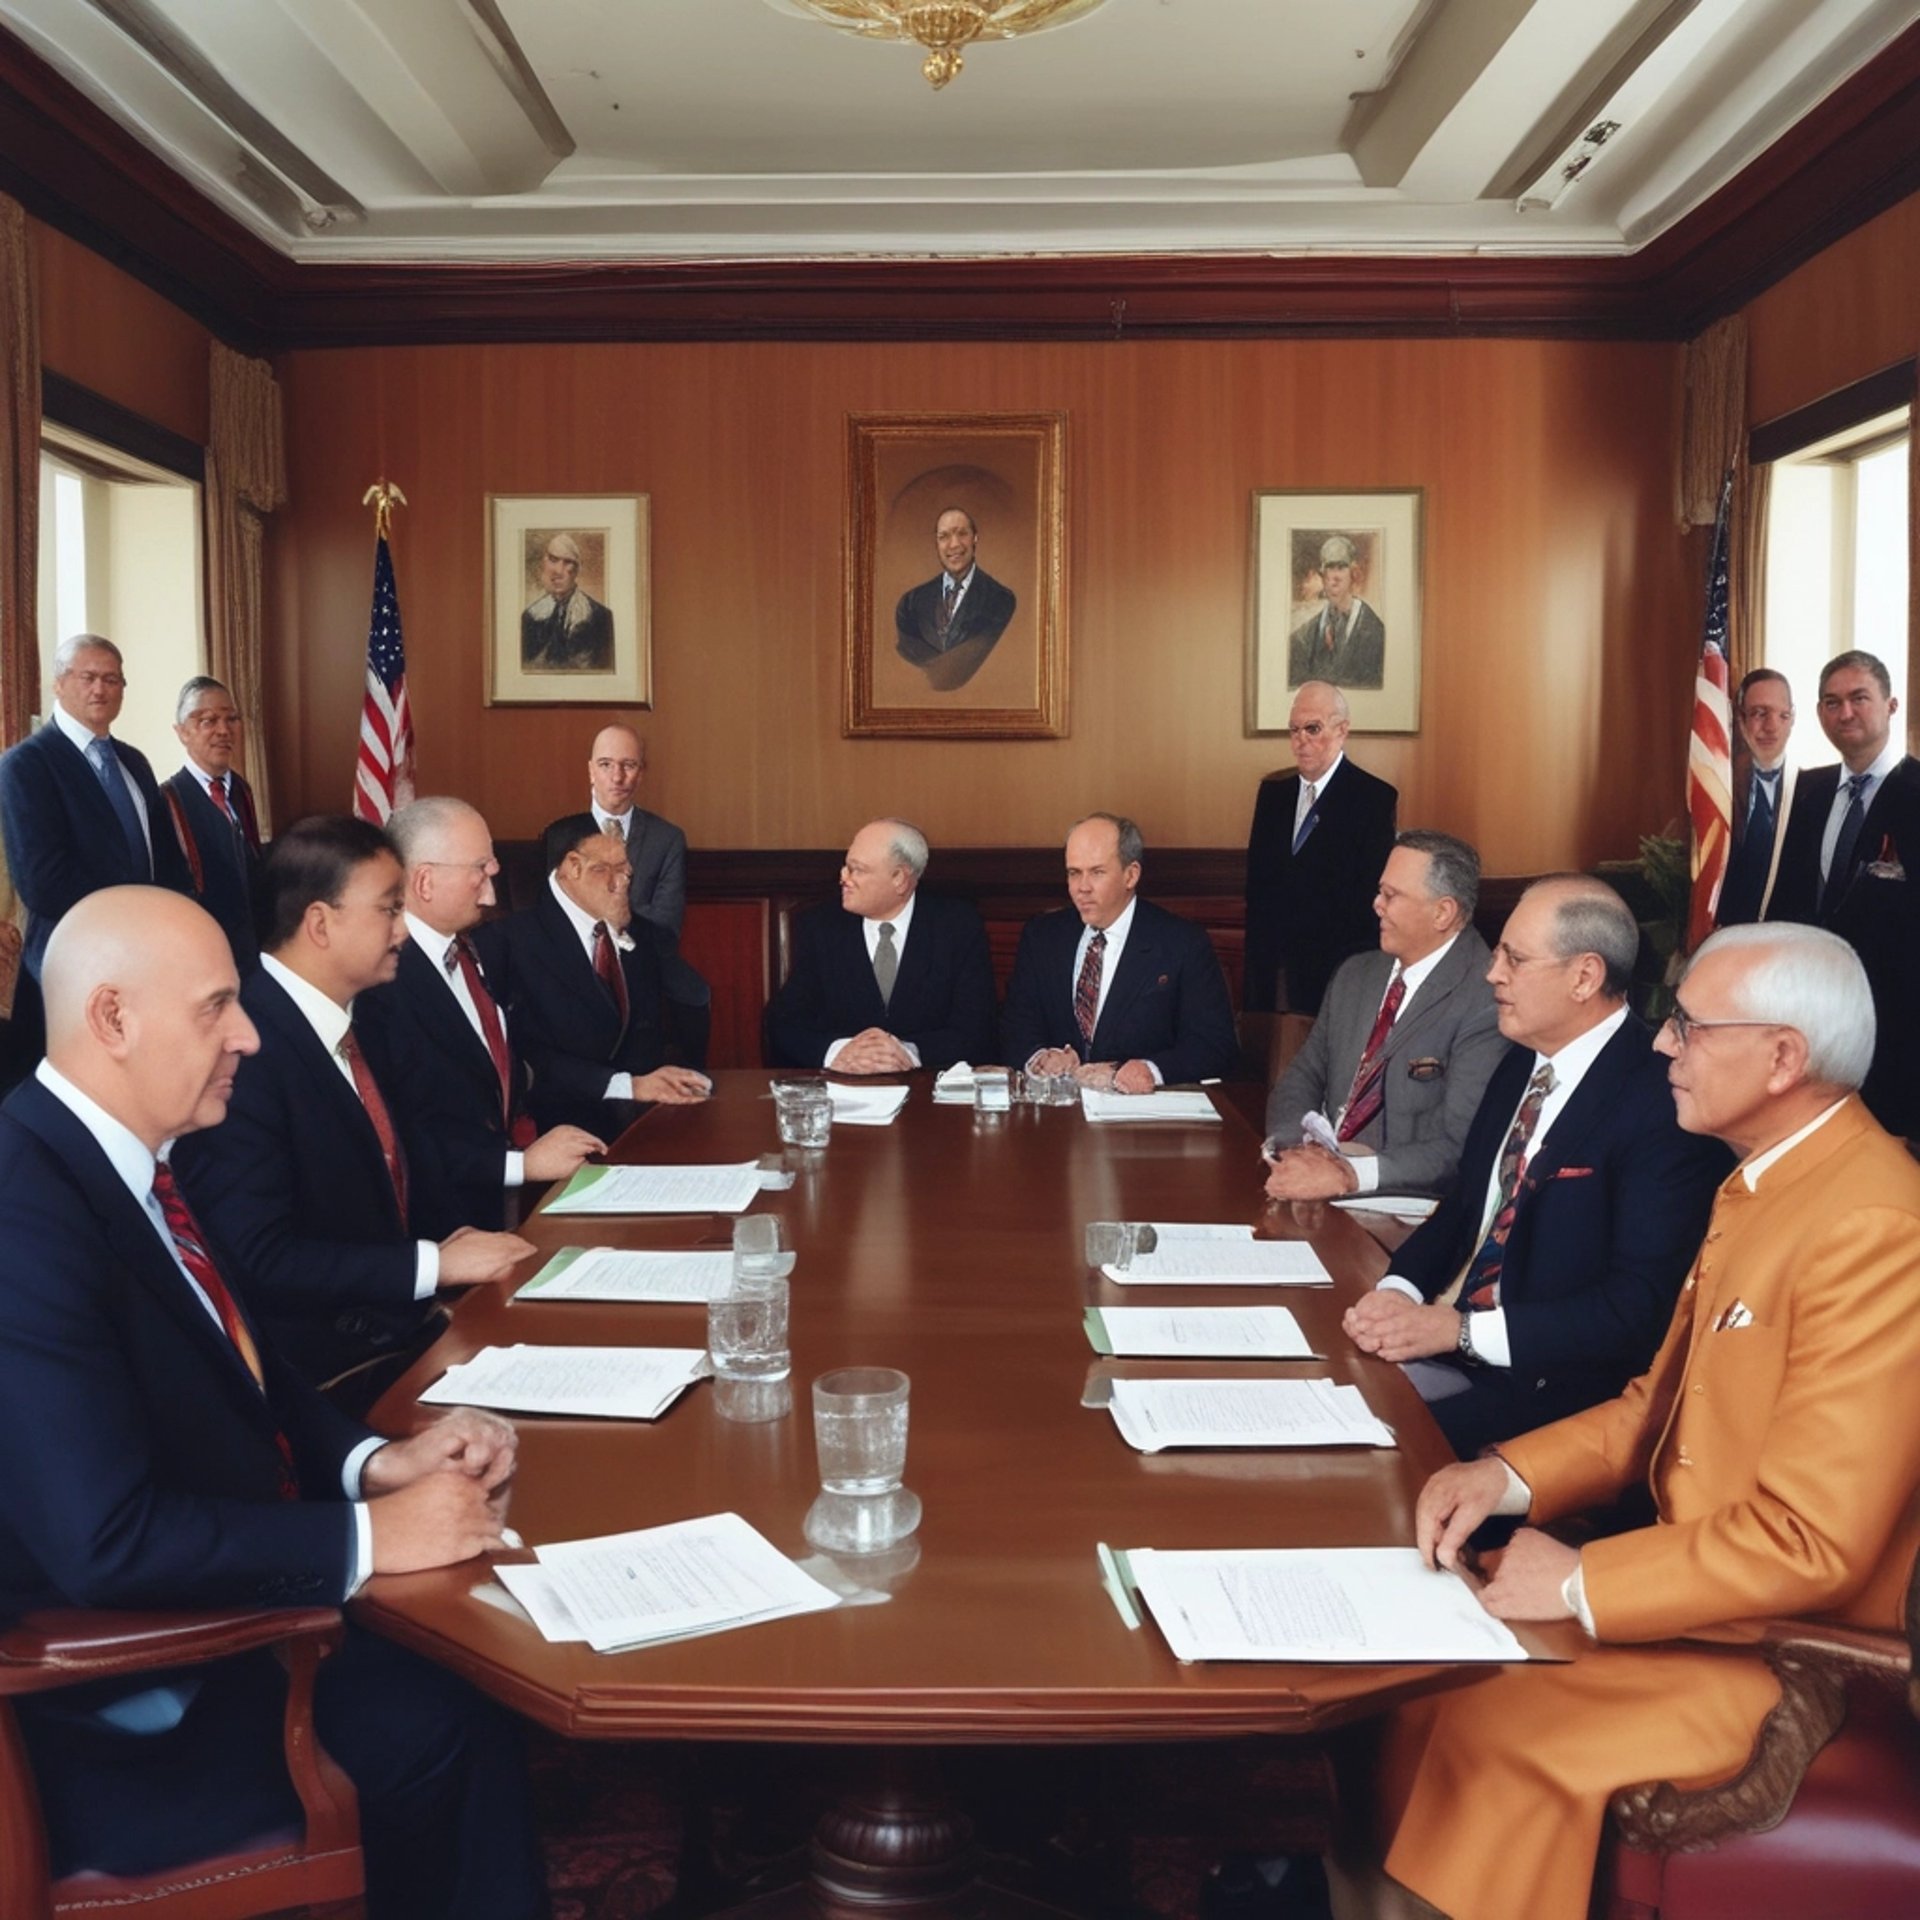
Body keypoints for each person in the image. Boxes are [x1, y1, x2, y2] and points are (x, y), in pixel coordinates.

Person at [0, 886, 549, 1918]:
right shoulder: (23, 1211)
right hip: (123, 1713)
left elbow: (244, 1369)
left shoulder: (123, 1162)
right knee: (452, 1724)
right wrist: (368, 1537)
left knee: (472, 1660)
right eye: (217, 1008)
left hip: (231, 1607)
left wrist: (373, 1463)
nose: (250, 1034)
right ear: (111, 1019)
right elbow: (105, 1542)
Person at [1359, 922, 1920, 1920]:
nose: (1663, 1046)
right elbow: (1651, 1411)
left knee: (1498, 1736)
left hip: (1792, 1650)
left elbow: (1814, 1543)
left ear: (1784, 1058)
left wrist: (1581, 1580)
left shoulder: (1874, 1224)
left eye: (1693, 1028)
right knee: (1424, 1692)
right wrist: (1504, 1476)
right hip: (1697, 1598)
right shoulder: (1766, 1181)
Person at [1342, 876, 1730, 1457]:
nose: (1491, 972)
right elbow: (1466, 1210)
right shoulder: (1521, 1057)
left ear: (1584, 976)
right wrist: (1397, 1291)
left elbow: (1633, 1312)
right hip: (1450, 1346)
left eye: (1514, 959)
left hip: (1554, 1396)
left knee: (1351, 1452)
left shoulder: (1661, 1102)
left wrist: (1460, 1331)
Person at [171, 816, 534, 1399]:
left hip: (403, 1333)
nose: (404, 932)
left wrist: (451, 1245)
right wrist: (431, 1267)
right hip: (320, 1378)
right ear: (320, 923)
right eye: (389, 910)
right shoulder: (244, 1051)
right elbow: (258, 1257)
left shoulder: (364, 1019)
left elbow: (401, 1163)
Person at [355, 797, 603, 1238]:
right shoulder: (381, 980)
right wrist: (519, 1165)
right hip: (437, 1233)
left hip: (492, 1213)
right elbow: (405, 1127)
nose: (491, 892)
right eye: (480, 871)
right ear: (425, 881)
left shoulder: (475, 950)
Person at [1263, 831, 1505, 1201]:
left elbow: (1461, 1147)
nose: (1376, 904)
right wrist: (1295, 1148)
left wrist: (1348, 1175)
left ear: (1443, 912)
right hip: (1312, 1189)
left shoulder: (1488, 997)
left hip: (1403, 1209)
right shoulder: (1356, 974)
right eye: (1380, 891)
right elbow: (1303, 1074)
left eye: (1391, 896)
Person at [1768, 648, 1919, 1136]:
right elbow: (1791, 901)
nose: (1845, 713)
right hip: (1812, 1020)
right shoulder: (1808, 791)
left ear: (1891, 706)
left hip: (1895, 1024)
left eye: (1859, 698)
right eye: (1832, 703)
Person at [479, 822, 711, 1135]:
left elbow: (686, 1008)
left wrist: (680, 1081)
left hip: (645, 1126)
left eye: (626, 872)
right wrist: (625, 1086)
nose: (622, 884)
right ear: (572, 867)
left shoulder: (645, 935)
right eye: (607, 870)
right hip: (557, 1131)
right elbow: (522, 1055)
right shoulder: (506, 942)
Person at [0, 633, 192, 983]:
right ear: (58, 684)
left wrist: (176, 920)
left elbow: (165, 857)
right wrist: (133, 915)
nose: (100, 689)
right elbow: (43, 882)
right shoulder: (26, 765)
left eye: (111, 679)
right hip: (76, 961)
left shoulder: (134, 762)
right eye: (87, 678)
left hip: (148, 951)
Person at [1000, 812, 1238, 1091]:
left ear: (1131, 874)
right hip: (1057, 1113)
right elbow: (1015, 1027)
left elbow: (1214, 1046)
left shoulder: (1181, 943)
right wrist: (1040, 1059)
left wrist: (1148, 1070)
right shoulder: (1043, 936)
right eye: (1074, 873)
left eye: (1097, 872)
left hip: (1140, 1118)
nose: (1082, 888)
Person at [766, 818, 995, 1073]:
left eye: (857, 870)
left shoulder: (957, 926)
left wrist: (908, 1052)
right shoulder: (820, 926)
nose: (844, 878)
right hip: (843, 1089)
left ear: (899, 878)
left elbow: (976, 1029)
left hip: (928, 1093)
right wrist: (839, 1052)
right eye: (845, 867)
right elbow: (783, 1023)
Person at [544, 722, 710, 1067]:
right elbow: (554, 918)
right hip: (577, 962)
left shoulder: (668, 839)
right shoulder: (561, 836)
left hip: (645, 963)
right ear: (591, 771)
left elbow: (665, 926)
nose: (616, 776)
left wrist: (604, 918)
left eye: (628, 765)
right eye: (605, 765)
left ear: (641, 773)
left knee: (692, 999)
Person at [1244, 681, 1397, 1017]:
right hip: (1273, 970)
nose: (1301, 740)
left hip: (1336, 971)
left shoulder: (1373, 798)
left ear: (1342, 730)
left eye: (1312, 728)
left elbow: (1367, 901)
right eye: (1294, 730)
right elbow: (1257, 888)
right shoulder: (1273, 795)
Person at [161, 674, 263, 968]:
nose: (223, 730)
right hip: (203, 953)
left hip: (252, 950)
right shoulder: (168, 800)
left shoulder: (242, 791)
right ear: (182, 732)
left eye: (231, 719)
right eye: (207, 721)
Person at [894, 506, 1018, 693]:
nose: (954, 545)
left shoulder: (1001, 600)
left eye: (962, 533)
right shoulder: (911, 602)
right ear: (936, 543)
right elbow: (905, 653)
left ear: (975, 538)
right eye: (944, 536)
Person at [1714, 666, 1797, 927]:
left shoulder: (1810, 790)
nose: (1771, 727)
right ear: (1740, 719)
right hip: (1724, 933)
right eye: (1760, 714)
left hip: (1785, 935)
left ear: (1792, 719)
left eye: (1782, 715)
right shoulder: (1717, 786)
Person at [1287, 534, 1386, 688]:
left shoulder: (1376, 632)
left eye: (1341, 567)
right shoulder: (1302, 637)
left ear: (1353, 573)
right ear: (1322, 575)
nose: (1334, 577)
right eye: (1329, 568)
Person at [520, 532, 613, 672]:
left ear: (577, 570)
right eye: (553, 559)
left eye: (567, 562)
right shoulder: (530, 616)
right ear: (544, 563)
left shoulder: (600, 616)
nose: (558, 571)